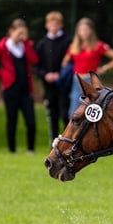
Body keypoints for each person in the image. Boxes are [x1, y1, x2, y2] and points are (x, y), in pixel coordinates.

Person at [0, 18, 39, 154]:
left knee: (31, 121)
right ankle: (12, 150)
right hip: (10, 89)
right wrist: (1, 74)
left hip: (25, 90)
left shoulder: (25, 46)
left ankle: (30, 149)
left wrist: (26, 43)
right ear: (11, 31)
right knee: (12, 120)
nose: (21, 36)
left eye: (23, 33)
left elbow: (34, 60)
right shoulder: (3, 46)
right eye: (19, 33)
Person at [62, 17, 113, 118]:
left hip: (91, 81)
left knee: (91, 112)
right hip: (77, 81)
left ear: (91, 30)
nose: (83, 32)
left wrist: (104, 68)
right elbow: (64, 62)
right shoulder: (74, 46)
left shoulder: (98, 46)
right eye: (81, 30)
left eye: (86, 29)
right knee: (74, 112)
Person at [35, 11, 72, 143]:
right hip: (49, 86)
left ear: (61, 25)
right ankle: (54, 144)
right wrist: (45, 75)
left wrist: (60, 74)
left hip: (64, 85)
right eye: (51, 24)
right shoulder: (42, 44)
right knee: (53, 115)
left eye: (56, 24)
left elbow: (71, 63)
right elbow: (37, 66)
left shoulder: (68, 41)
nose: (54, 27)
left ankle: (67, 142)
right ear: (46, 25)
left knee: (65, 114)